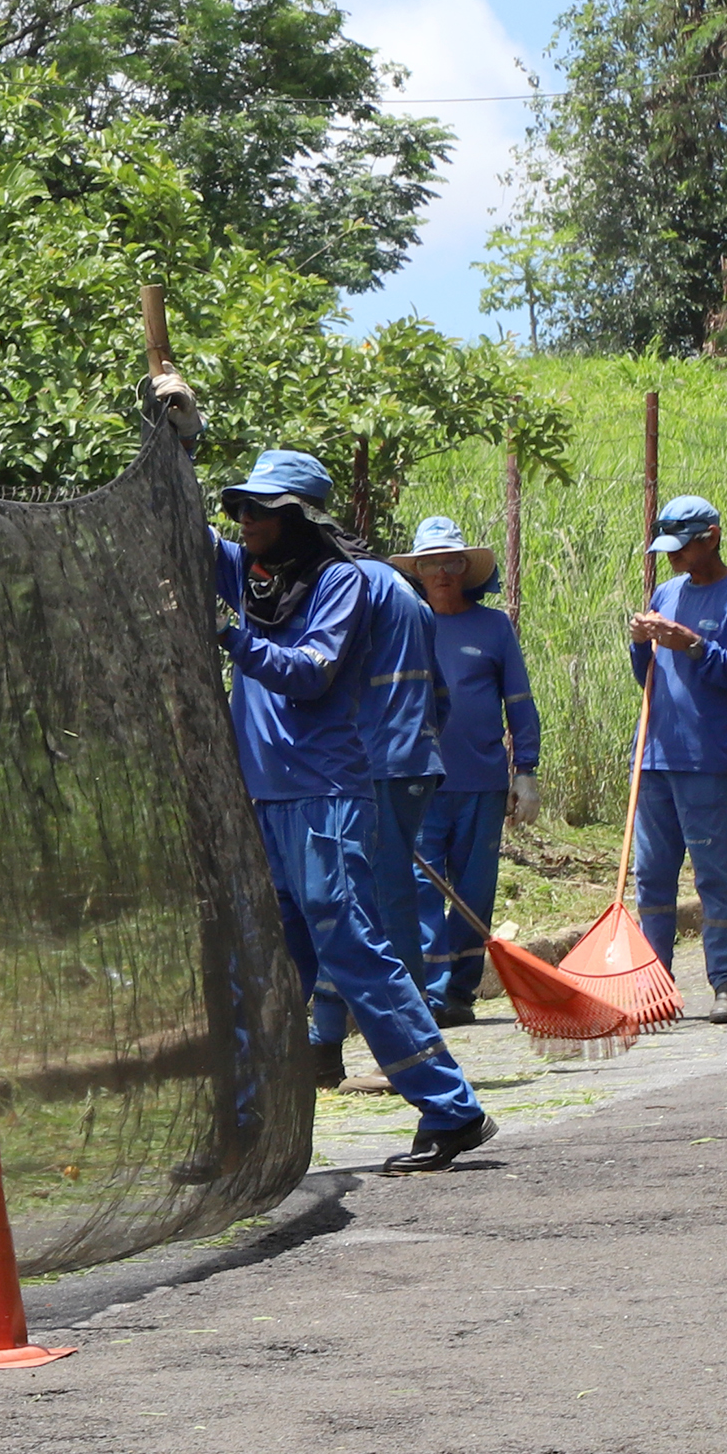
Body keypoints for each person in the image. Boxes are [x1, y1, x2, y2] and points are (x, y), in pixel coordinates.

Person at [205, 450, 494, 1176]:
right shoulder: (255, 577)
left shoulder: (338, 584)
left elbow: (310, 673)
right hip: (268, 800)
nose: (246, 522)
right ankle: (244, 1133)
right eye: (240, 509)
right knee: (265, 971)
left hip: (325, 800)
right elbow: (186, 533)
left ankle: (452, 1109)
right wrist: (176, 434)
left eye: (261, 510)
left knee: (357, 955)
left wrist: (233, 638)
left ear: (299, 517)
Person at [306, 547, 448, 1081]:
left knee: (368, 905)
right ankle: (328, 1046)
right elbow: (441, 695)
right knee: (368, 900)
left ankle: (410, 1055)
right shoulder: (405, 595)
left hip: (371, 763)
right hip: (406, 762)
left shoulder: (347, 586)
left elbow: (320, 678)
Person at [629, 495, 727, 1024]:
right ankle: (654, 987)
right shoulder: (666, 592)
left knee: (714, 873)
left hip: (707, 756)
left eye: (682, 548)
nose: (673, 559)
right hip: (655, 754)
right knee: (652, 878)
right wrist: (641, 642)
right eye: (666, 549)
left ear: (710, 537)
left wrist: (695, 646)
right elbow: (646, 674)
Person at [392, 517, 541, 1027]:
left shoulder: (493, 627)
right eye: (429, 563)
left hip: (481, 780)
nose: (440, 572)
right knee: (421, 887)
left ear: (465, 568)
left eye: (450, 562)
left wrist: (527, 770)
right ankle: (431, 995)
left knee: (474, 890)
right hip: (417, 781)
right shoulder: (403, 621)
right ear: (416, 571)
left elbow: (519, 700)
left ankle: (460, 989)